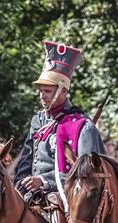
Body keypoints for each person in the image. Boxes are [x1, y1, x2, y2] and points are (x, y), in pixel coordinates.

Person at [14, 41, 105, 202]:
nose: (42, 96)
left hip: (66, 198)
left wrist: (43, 181)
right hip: (31, 197)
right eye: (41, 91)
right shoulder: (38, 120)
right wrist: (18, 190)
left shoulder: (83, 126)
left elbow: (87, 173)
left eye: (47, 91)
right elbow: (25, 164)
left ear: (63, 91)